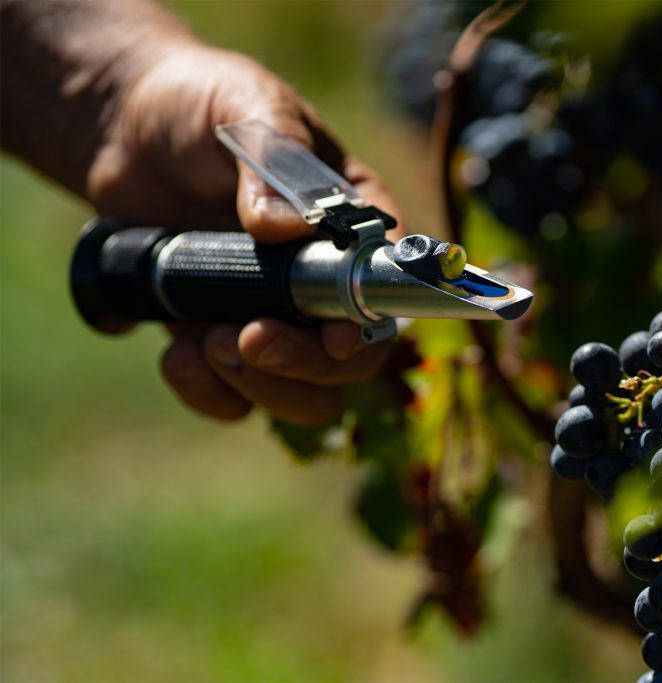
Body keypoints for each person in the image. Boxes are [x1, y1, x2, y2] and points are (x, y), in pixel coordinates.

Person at [1, 0, 404, 426]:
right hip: (133, 268)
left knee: (280, 351)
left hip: (141, 264)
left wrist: (124, 87)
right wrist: (121, 90)